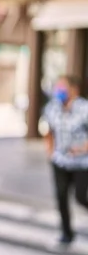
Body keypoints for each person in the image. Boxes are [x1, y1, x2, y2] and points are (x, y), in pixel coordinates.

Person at [44, 74, 88, 245]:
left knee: (80, 197)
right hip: (60, 160)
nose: (59, 90)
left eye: (62, 86)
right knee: (61, 196)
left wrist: (83, 148)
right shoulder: (53, 108)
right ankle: (67, 233)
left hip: (82, 163)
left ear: (73, 89)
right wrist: (50, 151)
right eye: (58, 86)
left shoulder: (84, 108)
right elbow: (48, 130)